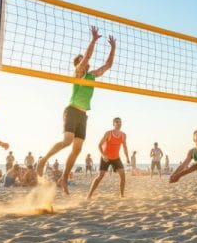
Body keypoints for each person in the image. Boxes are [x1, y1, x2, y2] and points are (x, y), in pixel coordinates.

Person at [37, 25, 116, 194]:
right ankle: (43, 160)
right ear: (78, 64)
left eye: (85, 61)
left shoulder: (92, 75)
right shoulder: (78, 73)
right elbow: (87, 56)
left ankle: (64, 178)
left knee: (77, 149)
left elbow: (108, 65)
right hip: (72, 110)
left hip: (83, 114)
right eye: (81, 60)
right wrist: (93, 40)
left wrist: (113, 48)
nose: (85, 62)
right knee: (67, 141)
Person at [88, 117, 130, 199]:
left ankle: (122, 195)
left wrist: (127, 158)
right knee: (100, 176)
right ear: (113, 124)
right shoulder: (108, 133)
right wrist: (103, 155)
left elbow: (125, 147)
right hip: (106, 158)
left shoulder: (123, 135)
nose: (119, 123)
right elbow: (99, 145)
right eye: (117, 122)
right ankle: (89, 195)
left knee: (123, 176)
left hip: (116, 158)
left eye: (120, 122)